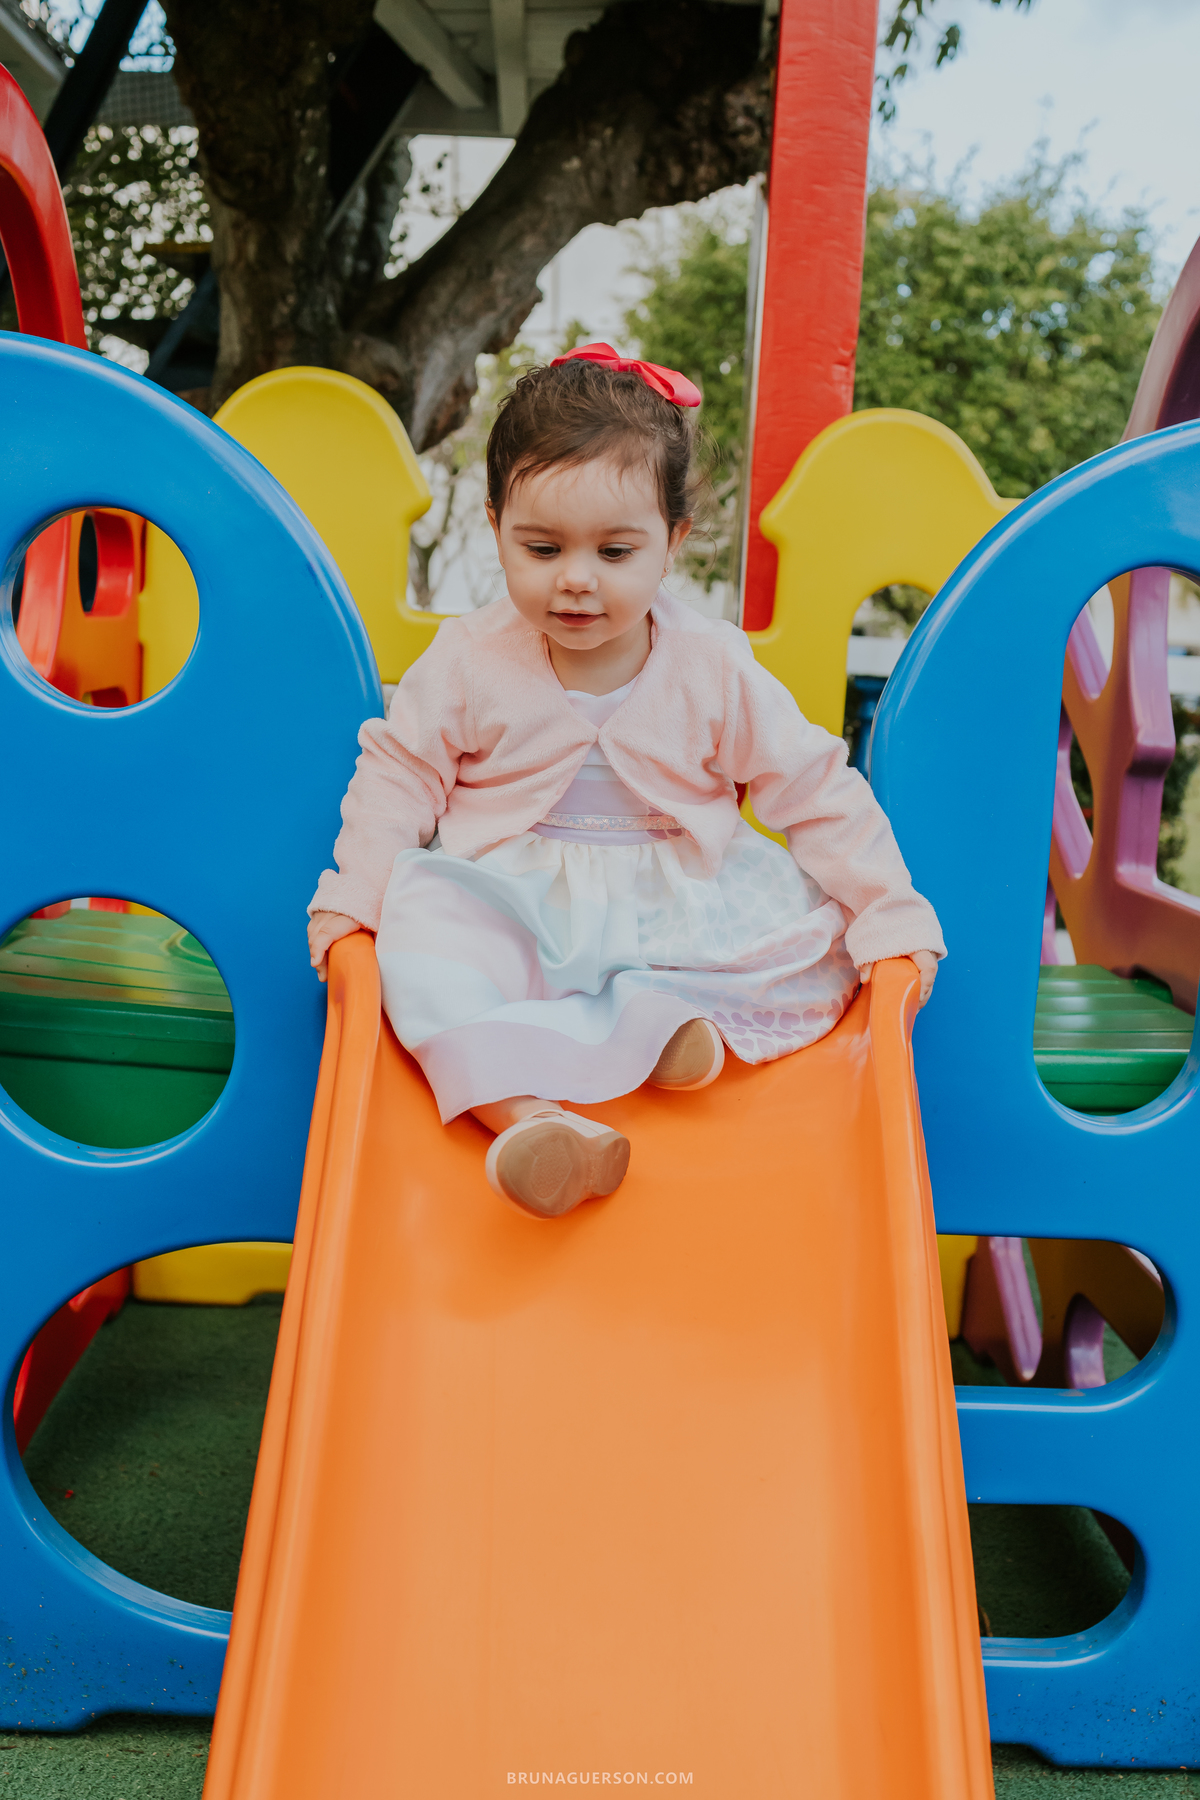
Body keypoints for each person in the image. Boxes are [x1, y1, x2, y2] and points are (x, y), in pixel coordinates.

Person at [307, 343, 944, 1220]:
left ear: (672, 542)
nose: (576, 578)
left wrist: (887, 908)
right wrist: (357, 897)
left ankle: (664, 1028)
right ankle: (530, 1124)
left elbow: (811, 786)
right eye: (541, 546)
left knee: (814, 941)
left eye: (614, 551)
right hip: (511, 900)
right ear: (495, 526)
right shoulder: (468, 659)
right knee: (417, 957)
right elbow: (400, 776)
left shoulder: (710, 666)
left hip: (665, 902)